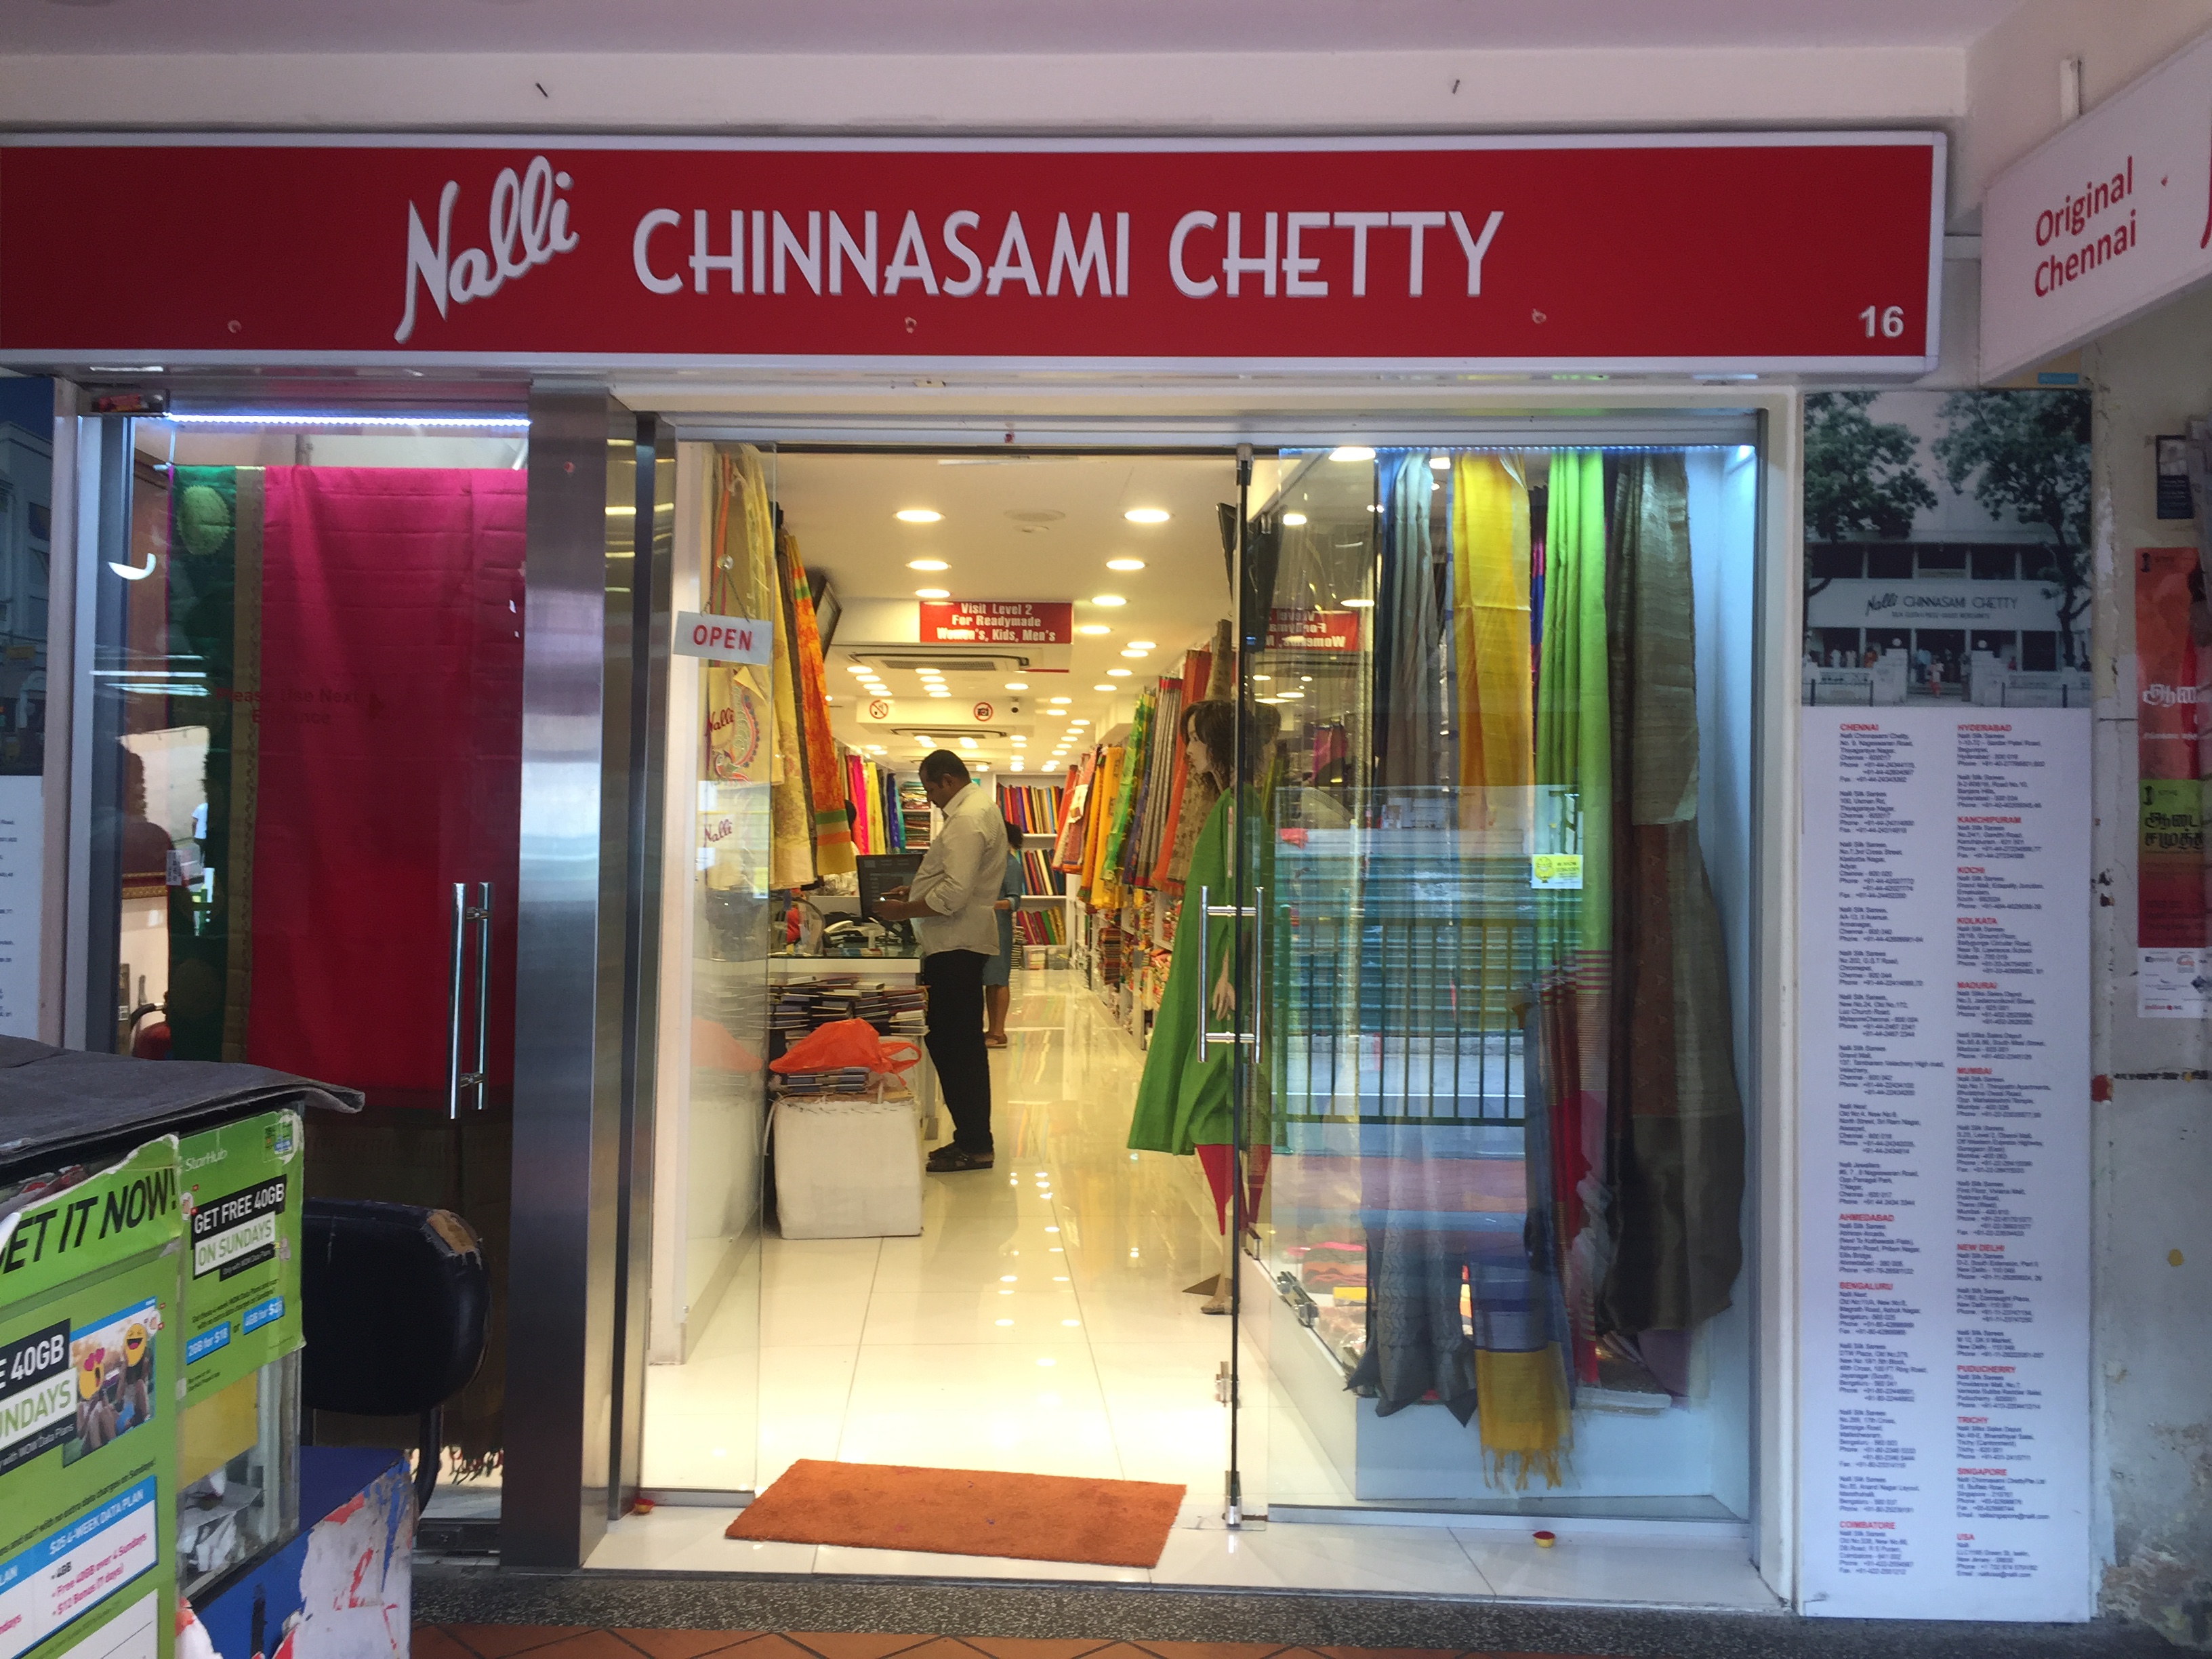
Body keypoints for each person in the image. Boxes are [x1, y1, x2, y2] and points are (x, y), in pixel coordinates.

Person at [872, 750, 1009, 1172]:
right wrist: (914, 892)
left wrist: (903, 911)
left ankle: (975, 1144)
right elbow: (952, 879)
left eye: (931, 788)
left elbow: (954, 894)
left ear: (948, 780)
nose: (929, 798)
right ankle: (971, 1138)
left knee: (957, 1048)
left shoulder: (967, 819)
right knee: (958, 1046)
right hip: (958, 944)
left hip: (954, 946)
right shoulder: (976, 810)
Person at [982, 817, 1025, 1048]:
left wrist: (990, 904)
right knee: (988, 980)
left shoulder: (1011, 865)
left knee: (998, 979)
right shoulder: (989, 864)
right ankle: (990, 1029)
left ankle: (999, 1032)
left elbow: (1015, 901)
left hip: (999, 928)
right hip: (983, 927)